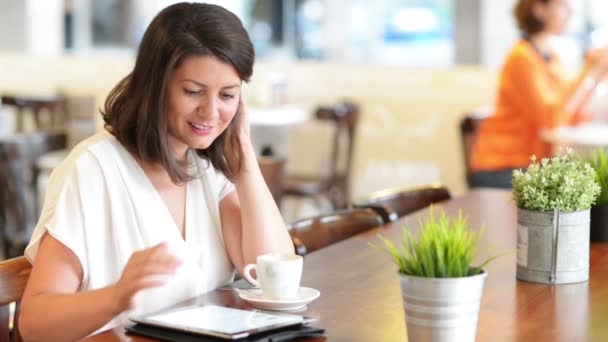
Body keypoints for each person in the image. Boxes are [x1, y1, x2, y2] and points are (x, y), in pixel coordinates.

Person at [18, 3, 295, 340]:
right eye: (193, 91)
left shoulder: (207, 167)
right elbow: (34, 324)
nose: (210, 112)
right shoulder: (92, 170)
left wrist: (247, 165)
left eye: (228, 95)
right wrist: (115, 297)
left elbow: (273, 278)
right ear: (155, 86)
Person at [470, 0, 608, 188]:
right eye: (562, 7)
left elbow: (570, 113)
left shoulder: (550, 56)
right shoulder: (521, 58)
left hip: (530, 163)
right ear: (539, 9)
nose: (569, 14)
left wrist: (596, 74)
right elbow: (550, 117)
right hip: (503, 165)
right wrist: (588, 69)